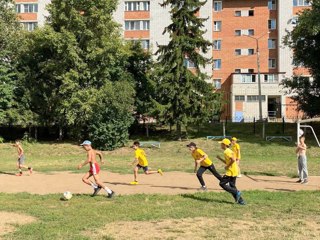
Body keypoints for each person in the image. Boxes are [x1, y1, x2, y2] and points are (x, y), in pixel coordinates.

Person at [216, 138, 246, 205]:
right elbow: (228, 161)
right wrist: (220, 158)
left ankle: (237, 192)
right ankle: (241, 201)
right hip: (234, 170)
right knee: (232, 185)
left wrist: (227, 166)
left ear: (224, 145)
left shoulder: (227, 151)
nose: (220, 145)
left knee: (222, 184)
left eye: (221, 144)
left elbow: (233, 159)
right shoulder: (228, 150)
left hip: (230, 171)